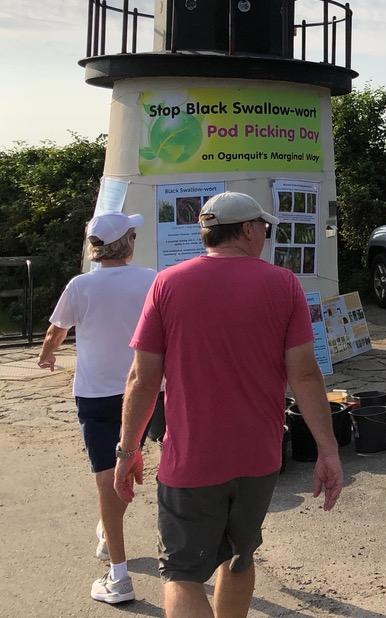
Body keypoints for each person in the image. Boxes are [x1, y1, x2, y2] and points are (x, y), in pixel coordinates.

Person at [114, 192, 343, 618]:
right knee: (239, 556)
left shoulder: (169, 283)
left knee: (182, 574)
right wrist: (327, 449)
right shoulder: (283, 284)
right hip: (258, 458)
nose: (266, 236)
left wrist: (128, 451)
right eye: (265, 228)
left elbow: (142, 379)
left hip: (192, 460)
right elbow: (306, 375)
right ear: (248, 229)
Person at [37, 212, 156, 605]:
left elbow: (57, 330)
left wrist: (47, 355)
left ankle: (119, 576)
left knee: (108, 478)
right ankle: (111, 533)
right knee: (134, 456)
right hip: (147, 391)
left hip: (96, 395)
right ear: (129, 242)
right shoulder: (152, 279)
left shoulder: (80, 285)